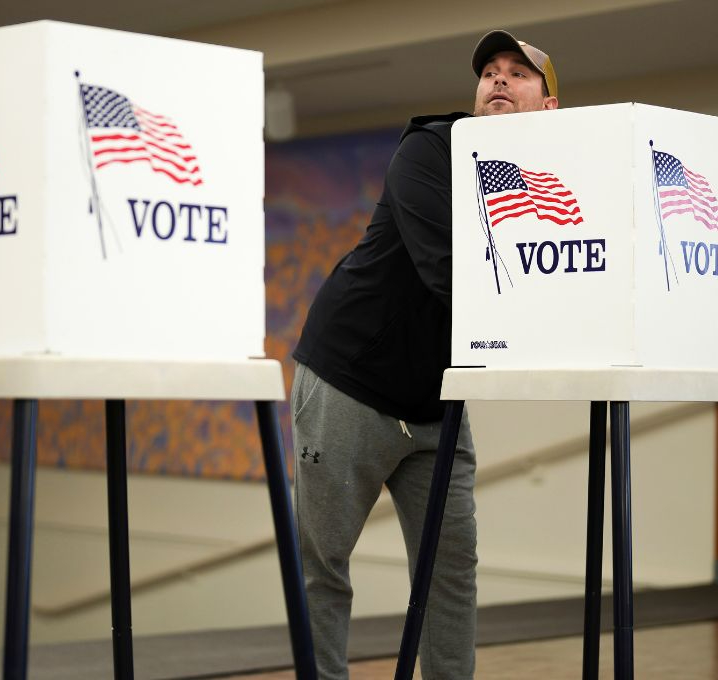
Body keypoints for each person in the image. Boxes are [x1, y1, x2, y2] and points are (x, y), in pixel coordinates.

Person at [290, 29, 559, 679]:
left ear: (549, 109)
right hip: (352, 377)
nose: (498, 78)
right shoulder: (429, 149)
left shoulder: (546, 186)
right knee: (321, 570)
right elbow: (450, 271)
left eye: (518, 73)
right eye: (489, 71)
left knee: (450, 573)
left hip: (438, 401)